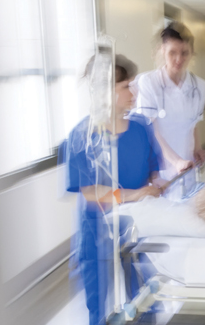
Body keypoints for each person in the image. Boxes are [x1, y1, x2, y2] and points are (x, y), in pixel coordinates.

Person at [64, 53, 162, 325]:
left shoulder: (141, 129)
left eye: (133, 84)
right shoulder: (82, 137)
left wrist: (157, 186)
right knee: (101, 309)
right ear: (104, 92)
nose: (134, 92)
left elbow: (153, 171)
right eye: (125, 87)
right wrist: (134, 195)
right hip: (97, 233)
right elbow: (90, 193)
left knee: (145, 300)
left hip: (138, 228)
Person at [136, 22, 205, 198]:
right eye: (172, 53)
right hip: (159, 171)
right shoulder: (149, 83)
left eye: (185, 53)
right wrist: (176, 162)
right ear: (162, 51)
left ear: (192, 53)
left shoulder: (199, 86)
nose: (179, 59)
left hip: (187, 167)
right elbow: (151, 131)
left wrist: (197, 148)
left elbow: (193, 123)